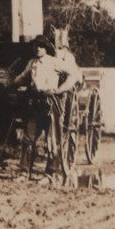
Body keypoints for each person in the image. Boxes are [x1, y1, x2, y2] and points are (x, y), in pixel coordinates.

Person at [13, 36, 75, 181]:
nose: (37, 48)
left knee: (52, 138)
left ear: (46, 48)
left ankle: (51, 173)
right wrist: (11, 83)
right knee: (28, 136)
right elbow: (22, 77)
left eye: (40, 46)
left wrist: (60, 89)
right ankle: (23, 172)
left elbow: (72, 75)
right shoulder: (32, 63)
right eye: (35, 46)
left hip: (51, 103)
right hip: (35, 102)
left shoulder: (54, 62)